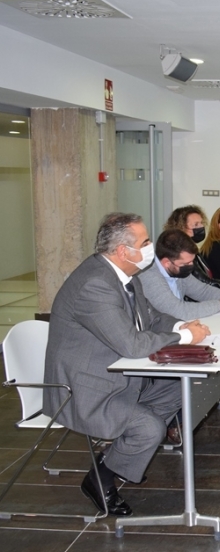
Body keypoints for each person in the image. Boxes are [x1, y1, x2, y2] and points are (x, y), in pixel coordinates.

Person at [42, 213, 210, 516]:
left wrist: (184, 323)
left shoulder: (126, 276)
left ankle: (122, 454)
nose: (150, 247)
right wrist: (184, 337)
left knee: (178, 388)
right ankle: (101, 478)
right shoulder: (95, 284)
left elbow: (153, 318)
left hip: (118, 374)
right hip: (85, 389)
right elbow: (132, 345)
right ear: (123, 251)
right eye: (145, 242)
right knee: (149, 427)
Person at [139, 229, 220, 319]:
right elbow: (178, 311)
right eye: (186, 263)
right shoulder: (149, 276)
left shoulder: (177, 270)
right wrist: (219, 304)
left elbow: (203, 291)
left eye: (192, 261)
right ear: (167, 263)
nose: (191, 266)